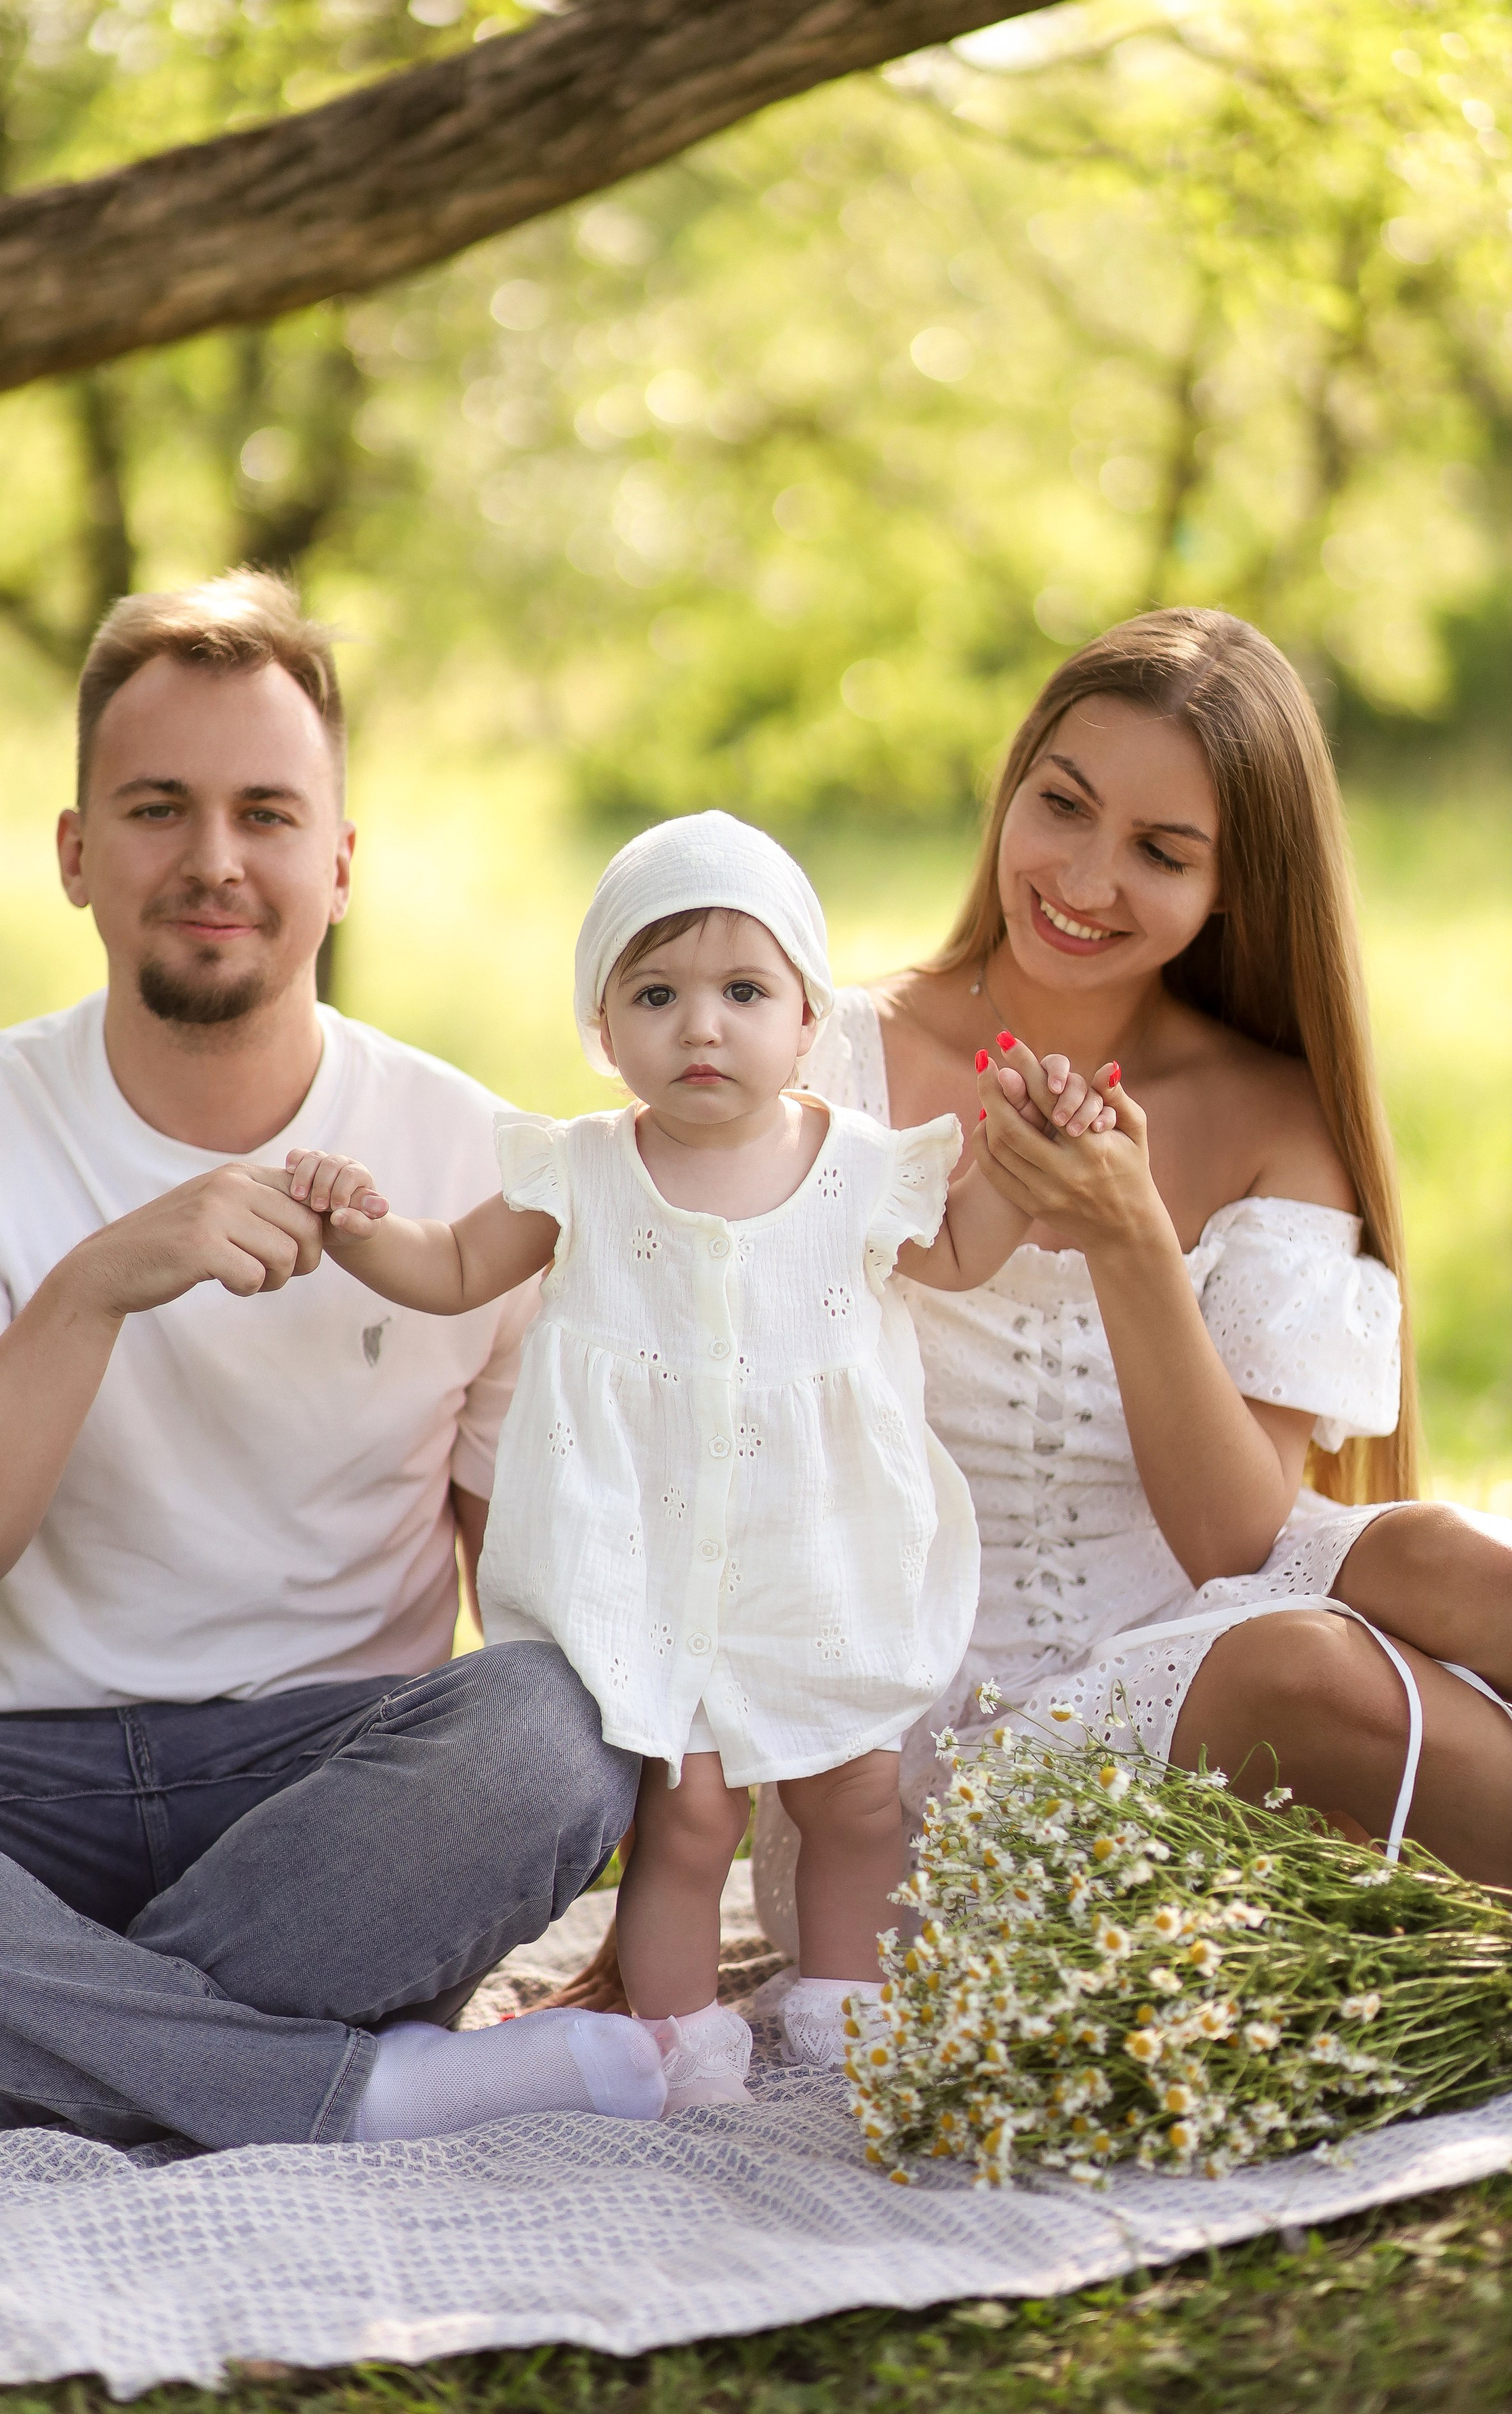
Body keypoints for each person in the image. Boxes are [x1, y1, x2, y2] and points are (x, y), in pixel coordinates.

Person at [0, 568, 666, 2148]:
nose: (212, 861)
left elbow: (541, 1608)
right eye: (154, 809)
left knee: (555, 1729)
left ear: (339, 862)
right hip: (6, 1800)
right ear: (74, 852)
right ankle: (342, 2090)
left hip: (321, 1789)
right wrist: (92, 1289)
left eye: (266, 813)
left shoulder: (474, 1154)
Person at [558, 607, 1512, 2013]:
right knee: (1306, 1668)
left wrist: (1128, 1241)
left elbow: (1233, 1539)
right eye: (1058, 805)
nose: (1080, 876)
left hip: (1189, 1638)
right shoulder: (822, 1062)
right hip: (914, 1746)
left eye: (1157, 850)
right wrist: (654, 1893)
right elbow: (682, 1459)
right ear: (1009, 789)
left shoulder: (1269, 1119)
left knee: (1445, 1558)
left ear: (1234, 886)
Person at [283, 811, 1113, 2106]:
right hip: (654, 1561)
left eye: (743, 992)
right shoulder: (588, 1169)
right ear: (606, 1030)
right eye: (657, 995)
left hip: (821, 1547)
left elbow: (955, 1255)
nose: (703, 1028)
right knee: (687, 1817)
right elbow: (448, 1269)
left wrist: (1024, 1163)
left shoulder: (856, 1168)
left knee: (857, 1797)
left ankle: (850, 2010)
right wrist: (356, 1230)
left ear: (805, 1019)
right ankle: (672, 2051)